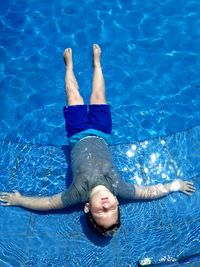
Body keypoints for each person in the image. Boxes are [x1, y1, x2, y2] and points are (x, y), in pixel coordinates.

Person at [0, 44, 196, 237]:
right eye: (112, 209)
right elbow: (148, 192)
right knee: (99, 94)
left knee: (72, 93)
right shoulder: (120, 188)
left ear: (87, 208)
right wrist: (175, 185)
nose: (106, 205)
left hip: (77, 134)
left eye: (101, 211)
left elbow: (48, 203)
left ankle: (68, 66)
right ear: (117, 203)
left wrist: (19, 200)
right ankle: (97, 65)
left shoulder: (76, 194)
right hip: (102, 132)